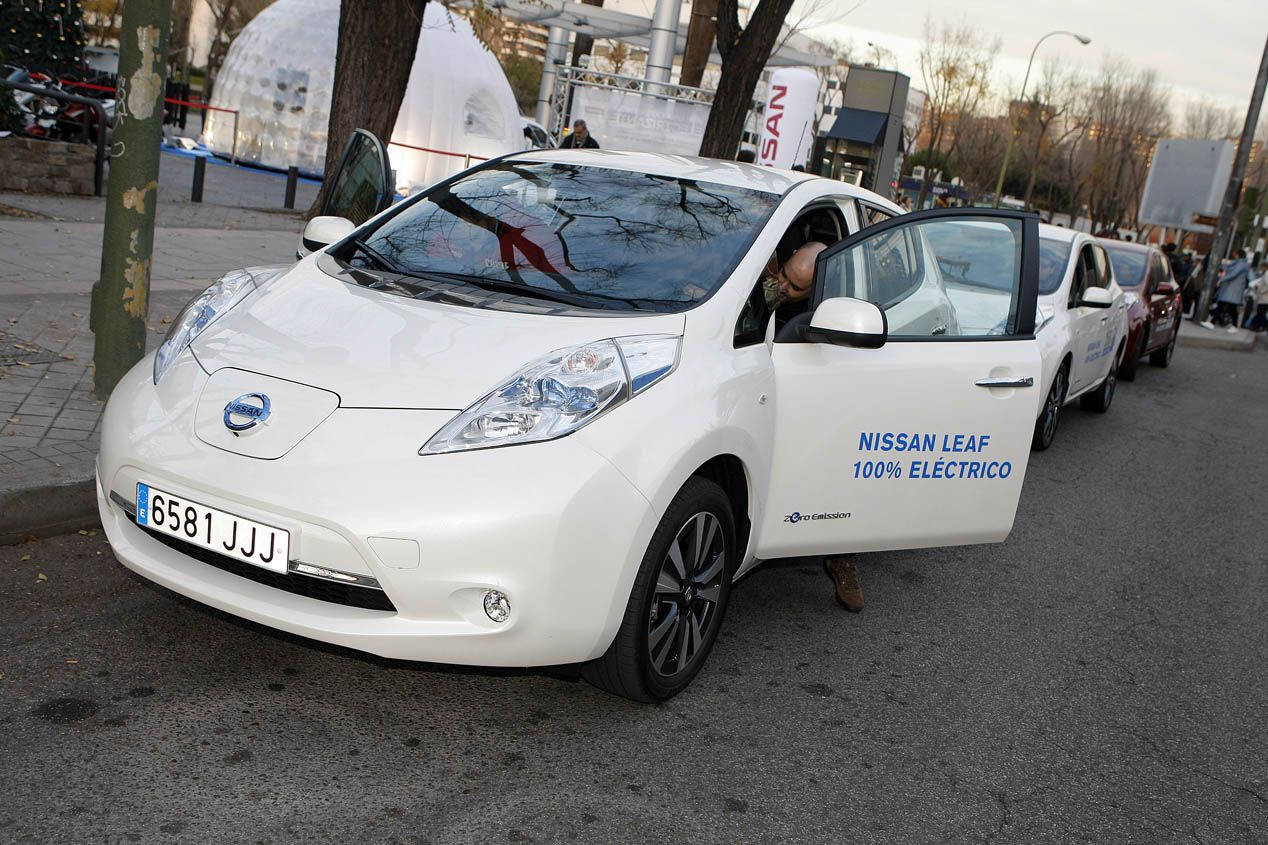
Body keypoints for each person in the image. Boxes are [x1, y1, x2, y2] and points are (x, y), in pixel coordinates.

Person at [1208, 249, 1250, 330]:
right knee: (1226, 306)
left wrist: (1221, 279)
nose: (1233, 255)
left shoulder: (1241, 264)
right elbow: (1228, 269)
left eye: (1235, 253)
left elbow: (1233, 274)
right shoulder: (1238, 263)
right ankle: (1213, 322)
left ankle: (1214, 323)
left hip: (1233, 289)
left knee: (1229, 307)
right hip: (1230, 289)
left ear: (1238, 254)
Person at [1248, 261, 1268, 332]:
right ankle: (1254, 326)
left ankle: (1265, 325)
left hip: (1264, 298)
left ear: (1265, 267)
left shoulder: (1267, 274)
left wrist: (1262, 291)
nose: (1261, 268)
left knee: (1260, 313)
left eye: (1261, 267)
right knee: (1260, 313)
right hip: (1264, 298)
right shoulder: (1265, 274)